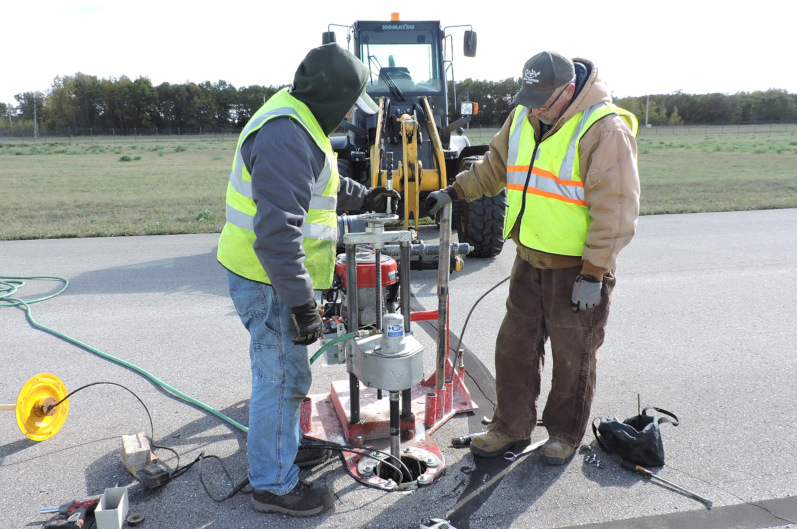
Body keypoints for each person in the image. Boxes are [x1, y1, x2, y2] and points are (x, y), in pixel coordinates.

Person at [425, 51, 639, 465]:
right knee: (514, 348)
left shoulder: (604, 129)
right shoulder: (524, 117)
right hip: (529, 260)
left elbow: (615, 211)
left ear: (570, 89)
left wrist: (594, 273)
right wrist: (455, 192)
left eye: (544, 97)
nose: (535, 106)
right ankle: (510, 427)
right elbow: (493, 168)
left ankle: (562, 434)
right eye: (530, 96)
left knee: (573, 355)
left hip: (578, 268)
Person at [217, 43, 399, 517]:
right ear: (333, 98)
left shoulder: (299, 124)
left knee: (286, 372)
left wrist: (367, 197)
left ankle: (286, 446)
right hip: (269, 281)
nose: (347, 117)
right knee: (280, 377)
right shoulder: (286, 136)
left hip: (270, 278)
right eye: (347, 106)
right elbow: (278, 236)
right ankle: (273, 486)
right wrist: (302, 306)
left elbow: (319, 184)